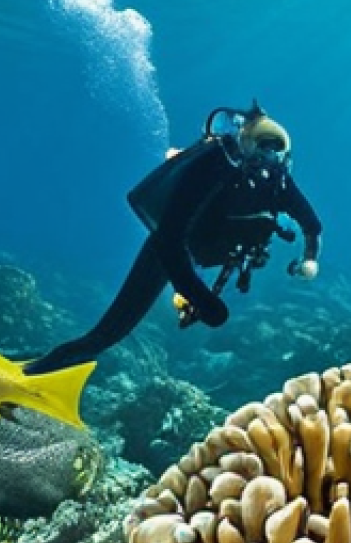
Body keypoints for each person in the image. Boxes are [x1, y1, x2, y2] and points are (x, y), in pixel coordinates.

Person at [25, 102, 322, 374]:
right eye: (261, 148)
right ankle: (32, 372)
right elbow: (168, 239)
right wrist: (201, 299)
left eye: (273, 151)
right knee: (106, 335)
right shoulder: (212, 167)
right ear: (245, 144)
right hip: (170, 250)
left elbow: (312, 225)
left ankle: (35, 369)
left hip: (208, 254)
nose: (266, 159)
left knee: (129, 328)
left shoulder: (279, 182)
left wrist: (308, 260)